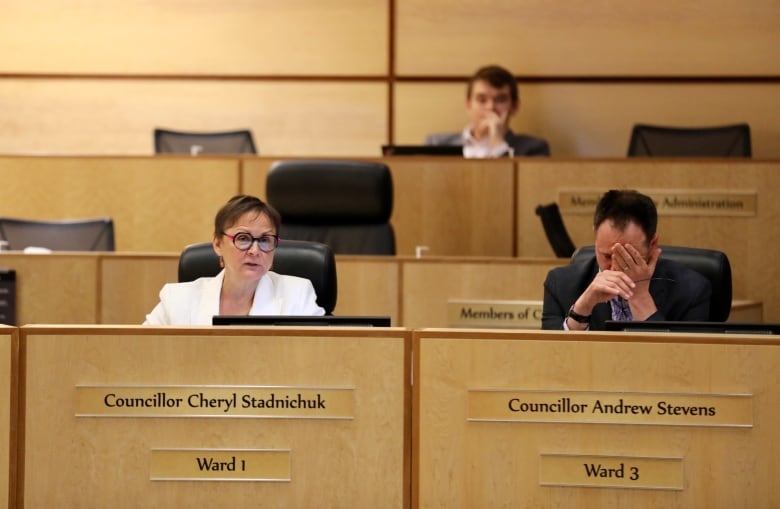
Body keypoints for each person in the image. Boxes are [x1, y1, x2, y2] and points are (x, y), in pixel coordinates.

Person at [541, 189, 711, 331]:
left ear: (652, 244)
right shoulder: (560, 284)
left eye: (627, 256)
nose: (614, 268)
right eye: (607, 256)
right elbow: (552, 360)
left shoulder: (692, 291)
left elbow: (682, 363)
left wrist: (640, 298)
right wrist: (582, 309)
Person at [144, 194, 324, 325]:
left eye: (264, 240)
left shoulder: (298, 295)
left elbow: (321, 355)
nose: (255, 250)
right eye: (243, 239)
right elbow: (142, 352)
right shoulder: (177, 300)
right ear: (217, 244)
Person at [425, 64, 550, 158]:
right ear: (468, 105)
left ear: (514, 106)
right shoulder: (436, 143)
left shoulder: (534, 148)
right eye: (481, 100)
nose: (490, 107)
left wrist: (498, 144)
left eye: (500, 100)